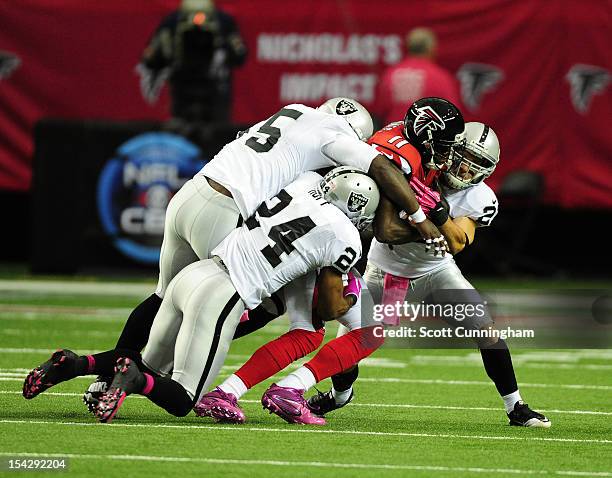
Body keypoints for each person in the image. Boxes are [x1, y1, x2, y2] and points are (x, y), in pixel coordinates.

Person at [77, 97, 450, 410]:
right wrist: (420, 216)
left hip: (192, 194)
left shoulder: (295, 112)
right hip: (225, 208)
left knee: (164, 296)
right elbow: (378, 166)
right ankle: (167, 380)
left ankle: (105, 376)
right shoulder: (332, 136)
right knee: (239, 301)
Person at [23, 167, 379, 423]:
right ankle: (130, 379)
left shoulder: (302, 184)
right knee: (181, 398)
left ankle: (75, 364)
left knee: (150, 361)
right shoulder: (345, 235)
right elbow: (331, 307)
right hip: (223, 293)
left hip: (195, 272)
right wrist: (350, 297)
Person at [308, 122, 552, 428]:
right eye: (463, 159)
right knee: (353, 344)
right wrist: (429, 222)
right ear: (449, 151)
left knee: (486, 331)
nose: (465, 172)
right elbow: (387, 233)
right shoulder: (417, 170)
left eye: (476, 167)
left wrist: (437, 212)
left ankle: (515, 406)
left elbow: (458, 242)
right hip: (388, 273)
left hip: (436, 270)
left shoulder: (480, 198)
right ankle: (339, 394)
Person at [137, 0, 247, 124]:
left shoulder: (172, 21)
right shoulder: (223, 21)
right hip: (201, 91)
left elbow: (150, 58)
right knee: (215, 137)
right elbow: (240, 55)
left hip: (202, 92)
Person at [372, 27, 461, 127]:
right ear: (431, 49)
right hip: (427, 138)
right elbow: (453, 116)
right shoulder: (441, 78)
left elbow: (379, 112)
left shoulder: (390, 74)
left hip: (393, 138)